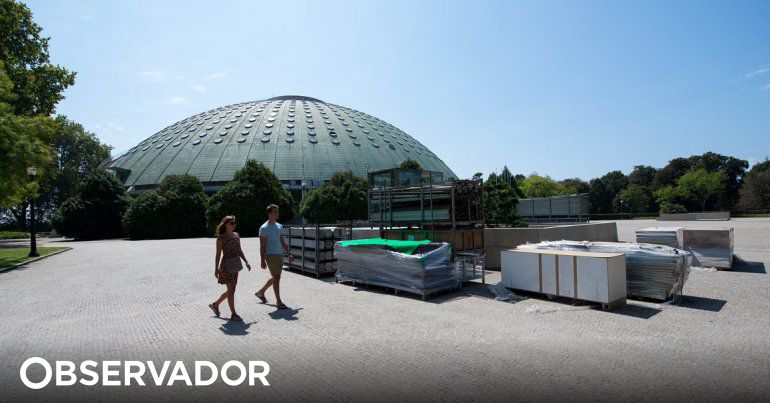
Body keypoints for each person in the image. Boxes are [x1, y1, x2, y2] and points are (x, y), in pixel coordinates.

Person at [209, 215, 251, 321]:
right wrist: (216, 268)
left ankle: (215, 304)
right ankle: (233, 314)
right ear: (226, 224)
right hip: (226, 265)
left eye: (235, 223)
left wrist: (246, 261)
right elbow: (218, 254)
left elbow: (239, 250)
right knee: (231, 289)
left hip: (235, 264)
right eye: (231, 223)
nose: (234, 225)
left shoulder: (236, 235)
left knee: (232, 289)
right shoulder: (221, 238)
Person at [255, 204, 293, 309]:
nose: (277, 213)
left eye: (278, 211)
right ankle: (279, 301)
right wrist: (262, 260)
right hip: (270, 255)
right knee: (277, 277)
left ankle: (261, 292)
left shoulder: (279, 226)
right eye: (275, 212)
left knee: (276, 277)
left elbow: (282, 241)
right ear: (269, 213)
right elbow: (262, 246)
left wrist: (289, 254)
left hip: (279, 254)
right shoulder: (263, 228)